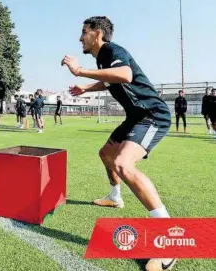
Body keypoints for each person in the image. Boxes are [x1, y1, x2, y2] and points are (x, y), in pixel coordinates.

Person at [62, 16, 174, 271]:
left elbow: (124, 75)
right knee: (106, 154)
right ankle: (115, 197)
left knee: (123, 164)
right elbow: (109, 79)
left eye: (84, 32)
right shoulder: (103, 58)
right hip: (135, 117)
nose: (80, 38)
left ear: (97, 33)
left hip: (152, 115)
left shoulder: (113, 50)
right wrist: (86, 88)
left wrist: (79, 70)